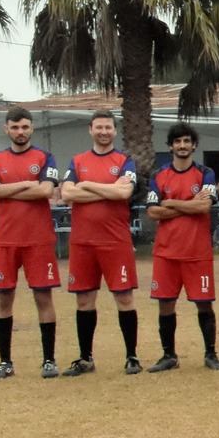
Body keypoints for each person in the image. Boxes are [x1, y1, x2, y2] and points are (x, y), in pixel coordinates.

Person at [0, 107, 62, 379]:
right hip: (5, 240)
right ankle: (5, 362)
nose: (20, 132)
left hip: (38, 240)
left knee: (43, 298)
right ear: (6, 129)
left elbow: (47, 190)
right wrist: (27, 184)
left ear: (32, 128)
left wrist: (7, 189)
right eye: (15, 127)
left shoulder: (45, 157)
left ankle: (49, 360)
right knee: (3, 299)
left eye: (25, 127)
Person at [60, 110, 142, 376]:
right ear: (90, 130)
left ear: (115, 131)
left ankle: (131, 356)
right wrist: (106, 189)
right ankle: (86, 358)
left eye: (108, 127)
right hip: (82, 242)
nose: (103, 131)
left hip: (115, 241)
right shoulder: (77, 160)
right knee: (84, 301)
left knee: (124, 298)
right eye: (99, 127)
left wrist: (86, 186)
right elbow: (66, 193)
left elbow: (124, 192)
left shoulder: (125, 160)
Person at [143, 123, 219, 370]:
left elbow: (204, 207)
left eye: (186, 141)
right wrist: (187, 203)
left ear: (194, 145)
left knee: (204, 303)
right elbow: (153, 213)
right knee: (165, 303)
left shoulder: (205, 173)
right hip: (166, 253)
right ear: (170, 146)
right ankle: (169, 356)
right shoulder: (159, 175)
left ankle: (210, 354)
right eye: (177, 142)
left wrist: (170, 202)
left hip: (197, 252)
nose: (182, 145)